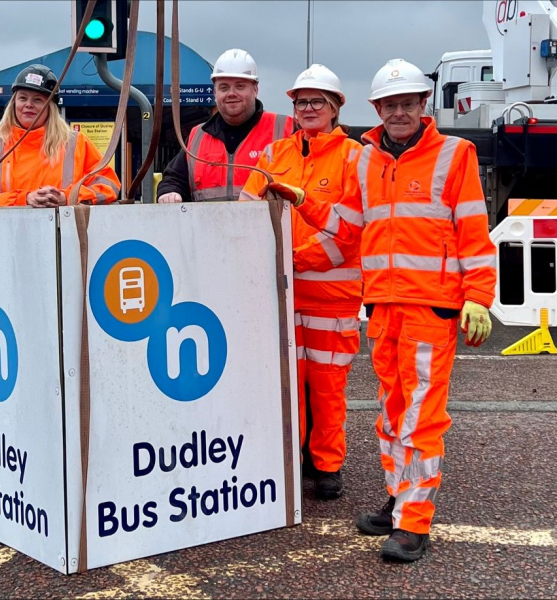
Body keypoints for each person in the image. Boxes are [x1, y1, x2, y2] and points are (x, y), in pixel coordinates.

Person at [266, 58, 497, 562]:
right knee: (393, 413)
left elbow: (474, 234)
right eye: (390, 105)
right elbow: (347, 226)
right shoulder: (366, 160)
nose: (398, 112)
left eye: (407, 103)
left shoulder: (455, 155)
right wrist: (303, 199)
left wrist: (479, 296)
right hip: (383, 305)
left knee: (419, 416)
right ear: (377, 108)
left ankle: (414, 522)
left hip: (431, 307)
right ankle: (399, 499)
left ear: (422, 105)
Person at [240, 64, 362, 502]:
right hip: (282, 292)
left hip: (332, 297)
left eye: (317, 102)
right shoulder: (274, 154)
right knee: (285, 383)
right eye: (301, 102)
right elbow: (246, 208)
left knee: (327, 388)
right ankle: (289, 458)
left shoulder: (353, 157)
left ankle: (327, 466)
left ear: (334, 108)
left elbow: (351, 233)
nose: (308, 109)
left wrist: (294, 260)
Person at [0, 64, 120, 207]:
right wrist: (25, 199)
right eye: (23, 98)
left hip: (64, 231)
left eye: (38, 100)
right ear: (14, 103)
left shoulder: (77, 144)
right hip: (9, 232)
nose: (28, 104)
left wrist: (68, 197)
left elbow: (109, 185)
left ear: (50, 108)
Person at [156, 48, 294, 203]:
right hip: (208, 226)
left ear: (255, 89)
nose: (231, 93)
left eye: (240, 86)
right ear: (215, 92)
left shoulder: (286, 129)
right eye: (224, 87)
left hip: (267, 227)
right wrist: (169, 192)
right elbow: (174, 179)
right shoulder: (197, 137)